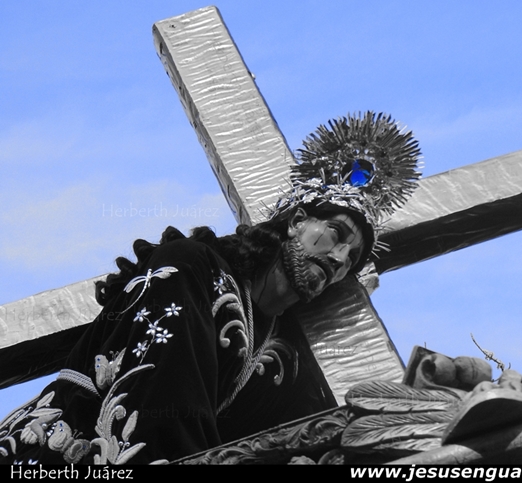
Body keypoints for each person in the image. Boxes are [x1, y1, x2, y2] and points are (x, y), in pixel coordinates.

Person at [0, 112, 420, 464]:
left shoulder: (290, 358)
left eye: (353, 257)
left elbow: (311, 441)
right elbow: (160, 394)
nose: (340, 258)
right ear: (296, 222)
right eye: (336, 234)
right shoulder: (192, 267)